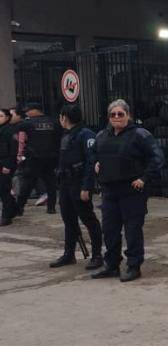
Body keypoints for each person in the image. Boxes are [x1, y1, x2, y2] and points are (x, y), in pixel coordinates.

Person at [91, 100, 164, 282]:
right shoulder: (102, 135)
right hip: (109, 191)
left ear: (128, 115)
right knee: (109, 230)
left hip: (132, 191)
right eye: (113, 114)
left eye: (120, 114)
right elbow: (93, 154)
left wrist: (144, 179)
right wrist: (96, 163)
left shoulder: (140, 135)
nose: (116, 117)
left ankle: (133, 266)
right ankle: (112, 265)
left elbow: (157, 158)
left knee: (132, 230)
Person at [51, 105, 104, 269]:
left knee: (88, 219)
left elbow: (90, 162)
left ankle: (97, 255)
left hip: (79, 183)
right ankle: (69, 254)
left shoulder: (85, 134)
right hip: (65, 183)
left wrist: (86, 187)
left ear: (64, 118)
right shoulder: (66, 134)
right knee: (68, 219)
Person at [14, 101, 62, 216]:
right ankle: (51, 207)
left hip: (34, 158)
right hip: (51, 158)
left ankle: (19, 208)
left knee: (27, 184)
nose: (26, 113)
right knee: (50, 183)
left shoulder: (27, 124)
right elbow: (59, 138)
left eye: (28, 111)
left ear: (35, 110)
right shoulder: (54, 122)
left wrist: (20, 153)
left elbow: (19, 138)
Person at [0, 109, 17, 226]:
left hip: (5, 164)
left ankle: (7, 216)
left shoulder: (9, 130)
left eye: (1, 116)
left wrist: (8, 165)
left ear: (7, 117)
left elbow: (13, 149)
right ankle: (13, 209)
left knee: (4, 190)